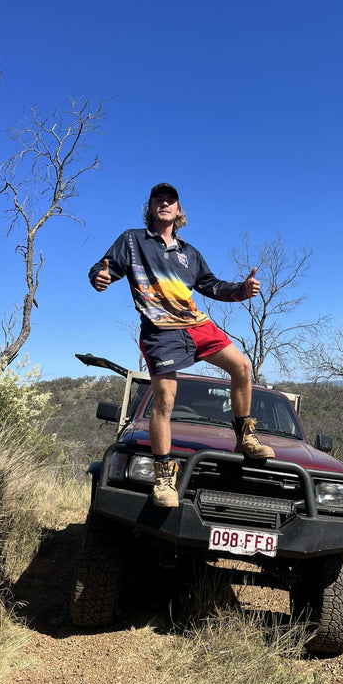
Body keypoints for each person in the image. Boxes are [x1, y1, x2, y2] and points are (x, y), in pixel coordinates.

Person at [89, 182, 274, 508]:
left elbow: (212, 285)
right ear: (150, 208)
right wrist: (99, 278)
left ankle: (245, 437)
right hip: (161, 331)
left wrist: (241, 290)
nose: (164, 204)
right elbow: (106, 269)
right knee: (164, 399)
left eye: (170, 200)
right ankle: (163, 478)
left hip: (196, 324)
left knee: (242, 367)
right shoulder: (132, 241)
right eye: (158, 200)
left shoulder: (190, 253)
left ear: (178, 211)